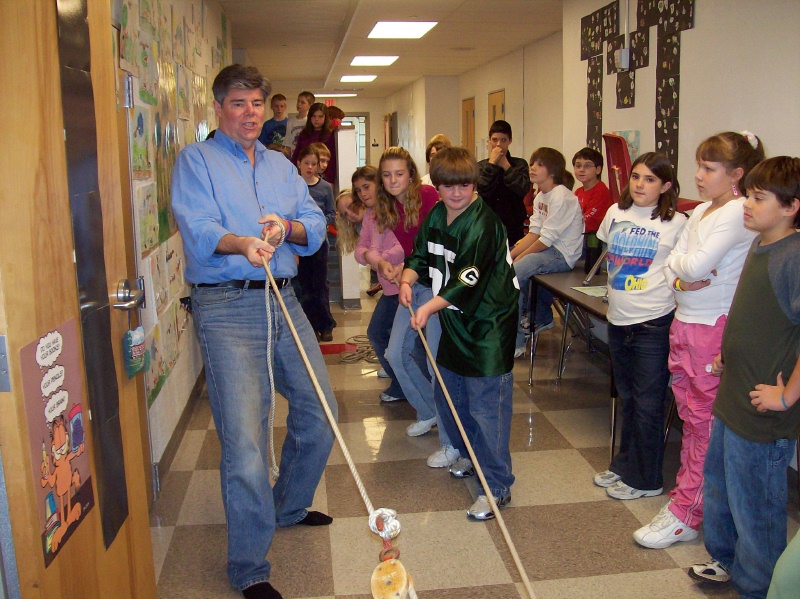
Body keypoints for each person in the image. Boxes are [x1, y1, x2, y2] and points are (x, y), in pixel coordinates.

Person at [171, 65, 337, 599]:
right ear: (220, 107)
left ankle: (286, 506)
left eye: (257, 104)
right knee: (244, 444)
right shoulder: (196, 161)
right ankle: (248, 564)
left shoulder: (283, 167)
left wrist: (285, 228)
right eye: (239, 103)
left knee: (319, 412)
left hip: (282, 300)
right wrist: (242, 243)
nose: (250, 113)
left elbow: (312, 224)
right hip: (225, 306)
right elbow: (198, 229)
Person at [633, 131, 764, 550]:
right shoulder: (706, 209)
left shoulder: (736, 212)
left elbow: (693, 265)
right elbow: (680, 266)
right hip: (685, 322)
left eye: (709, 168)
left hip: (712, 327)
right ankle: (687, 501)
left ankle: (687, 512)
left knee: (704, 424)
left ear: (736, 174)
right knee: (690, 420)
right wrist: (681, 271)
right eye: (700, 165)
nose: (699, 175)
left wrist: (681, 269)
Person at [688, 156, 800, 599]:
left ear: (791, 206)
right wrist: (725, 351)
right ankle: (726, 561)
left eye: (758, 198)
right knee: (720, 486)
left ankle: (758, 586)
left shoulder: (794, 256)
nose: (746, 204)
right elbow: (753, 311)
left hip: (762, 409)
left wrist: (788, 396)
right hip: (733, 395)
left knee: (756, 504)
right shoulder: (760, 243)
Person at [401, 146, 519, 520]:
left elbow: (467, 281)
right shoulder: (437, 214)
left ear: (474, 185)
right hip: (454, 323)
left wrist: (426, 307)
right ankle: (470, 457)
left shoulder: (483, 224)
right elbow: (420, 255)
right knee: (455, 398)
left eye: (464, 185)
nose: (457, 193)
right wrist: (407, 279)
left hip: (487, 328)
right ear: (436, 187)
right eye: (449, 186)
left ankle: (497, 487)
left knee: (488, 410)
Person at [592, 152, 686, 500]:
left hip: (653, 324)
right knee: (628, 398)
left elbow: (684, 271)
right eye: (635, 177)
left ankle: (647, 479)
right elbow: (609, 260)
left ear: (665, 186)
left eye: (649, 179)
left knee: (648, 403)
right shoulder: (616, 213)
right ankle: (624, 465)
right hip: (619, 321)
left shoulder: (678, 223)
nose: (640, 185)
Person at [377, 148, 458, 461]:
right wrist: (402, 269)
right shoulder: (389, 206)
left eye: (399, 173)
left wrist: (410, 270)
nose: (393, 179)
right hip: (414, 284)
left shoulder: (426, 195)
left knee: (437, 365)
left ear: (410, 174)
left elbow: (437, 245)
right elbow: (417, 249)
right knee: (395, 354)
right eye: (387, 174)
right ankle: (428, 411)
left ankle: (451, 443)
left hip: (437, 287)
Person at [510, 147, 584, 358]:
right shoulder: (541, 195)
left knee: (511, 276)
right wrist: (511, 254)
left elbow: (546, 239)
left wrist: (519, 259)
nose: (532, 168)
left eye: (539, 164)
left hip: (561, 254)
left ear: (552, 171)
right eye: (532, 163)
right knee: (504, 262)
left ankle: (516, 342)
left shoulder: (562, 196)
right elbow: (534, 233)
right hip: (546, 248)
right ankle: (535, 317)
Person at [351, 165, 406, 401]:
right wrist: (377, 259)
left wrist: (380, 259)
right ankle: (400, 380)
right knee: (377, 333)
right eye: (358, 190)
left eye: (366, 186)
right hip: (390, 286)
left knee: (385, 335)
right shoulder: (370, 216)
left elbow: (403, 247)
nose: (363, 193)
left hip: (403, 284)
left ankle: (403, 383)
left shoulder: (395, 211)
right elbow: (360, 250)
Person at [295, 145, 336, 341]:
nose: (310, 167)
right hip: (299, 245)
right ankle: (308, 325)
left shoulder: (325, 187)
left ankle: (326, 324)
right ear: (299, 164)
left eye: (314, 163)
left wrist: (319, 224)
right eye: (306, 163)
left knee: (320, 285)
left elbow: (331, 213)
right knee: (304, 287)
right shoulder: (293, 185)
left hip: (319, 243)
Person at [477, 120, 531, 246]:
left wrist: (507, 167)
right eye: (495, 140)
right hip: (487, 222)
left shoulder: (519, 164)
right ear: (489, 140)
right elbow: (482, 188)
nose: (498, 145)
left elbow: (523, 189)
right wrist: (492, 165)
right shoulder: (481, 165)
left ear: (510, 141)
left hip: (513, 223)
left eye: (503, 140)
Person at [572, 147, 613, 273]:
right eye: (578, 166)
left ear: (598, 170)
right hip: (580, 237)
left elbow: (590, 222)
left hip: (595, 243)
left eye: (587, 166)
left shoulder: (601, 191)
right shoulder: (578, 191)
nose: (582, 170)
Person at [291, 103, 337, 185]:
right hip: (304, 175)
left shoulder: (330, 134)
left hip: (323, 176)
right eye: (314, 116)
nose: (316, 119)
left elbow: (332, 160)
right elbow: (296, 156)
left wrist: (330, 181)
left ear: (325, 118)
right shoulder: (304, 134)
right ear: (310, 117)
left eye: (320, 116)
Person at [334, 188, 365, 255]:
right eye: (345, 214)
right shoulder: (359, 229)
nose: (350, 213)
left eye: (350, 206)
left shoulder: (380, 217)